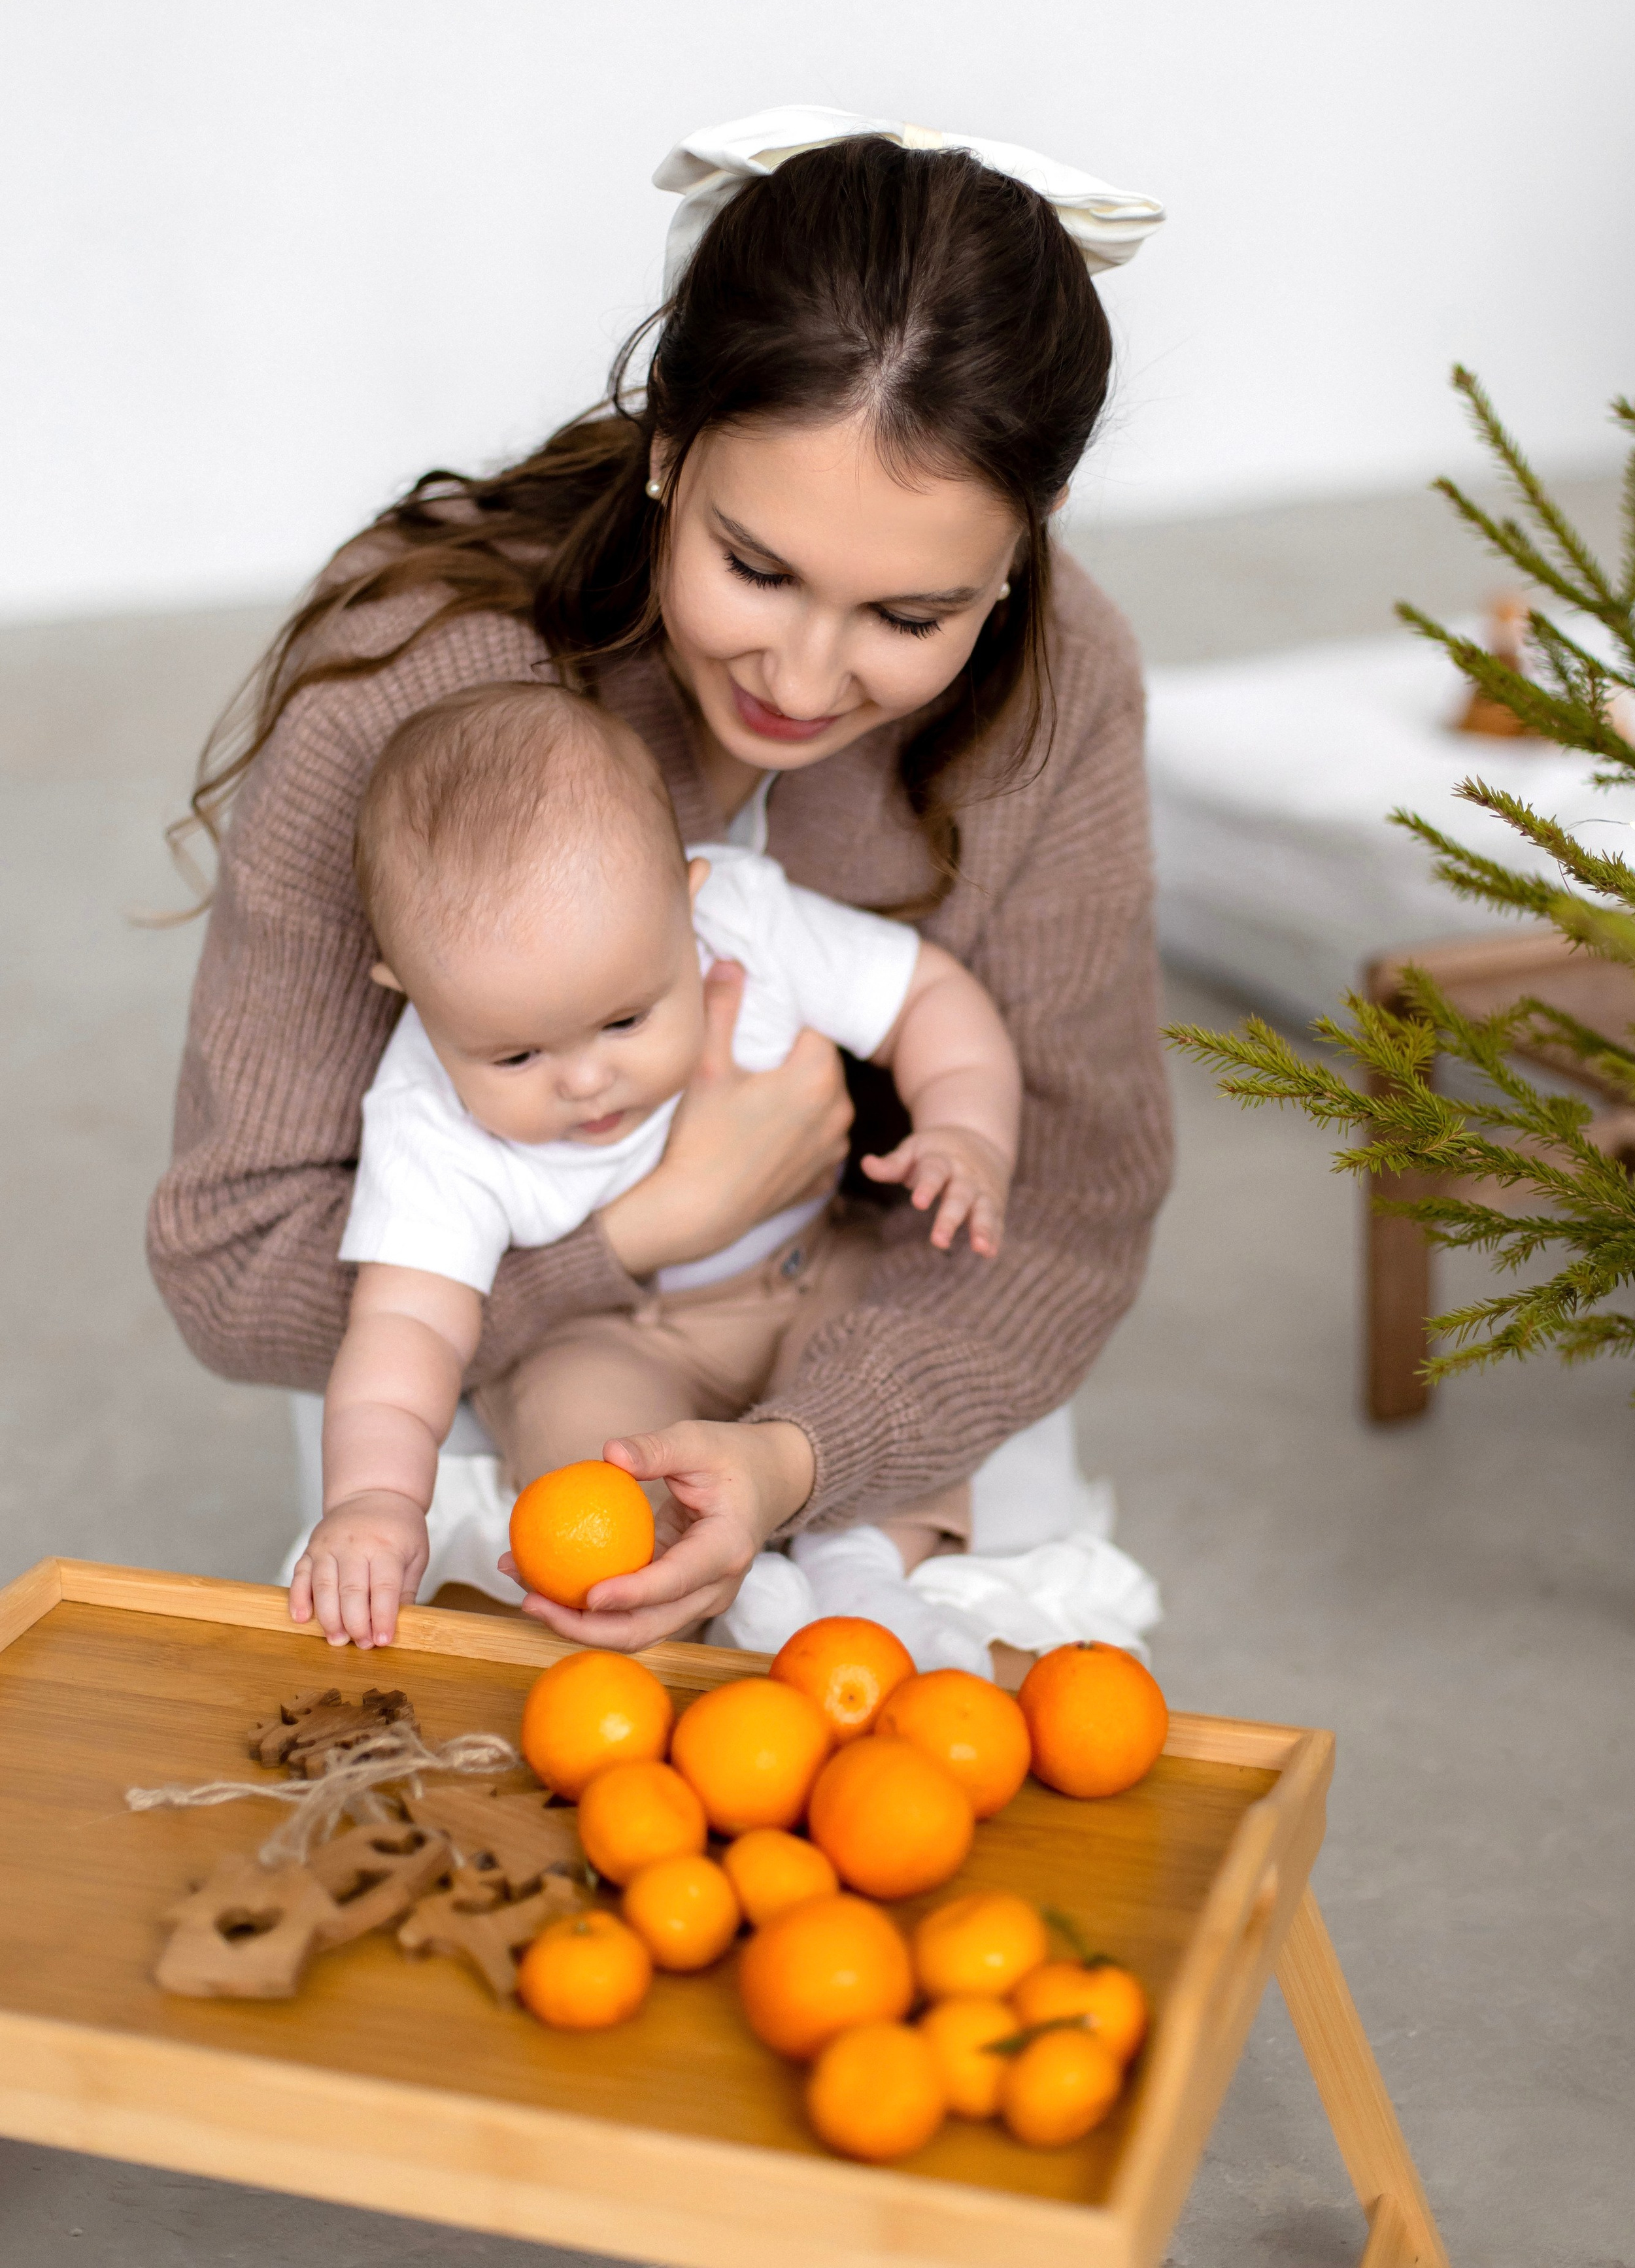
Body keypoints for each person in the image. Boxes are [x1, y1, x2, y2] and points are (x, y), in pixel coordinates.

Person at [148, 108, 1175, 1656]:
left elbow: (1071, 1205)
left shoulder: (1060, 678)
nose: (805, 675)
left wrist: (801, 1452)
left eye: (907, 612)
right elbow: (234, 1278)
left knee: (930, 1711)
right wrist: (630, 1233)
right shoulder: (418, 682)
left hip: (883, 1327)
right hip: (480, 1365)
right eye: (754, 570)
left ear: (1020, 554)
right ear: (668, 452)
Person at [291, 679, 1019, 1649]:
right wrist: (375, 1499)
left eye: (626, 1019)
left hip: (812, 1265)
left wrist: (968, 1128)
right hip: (610, 1331)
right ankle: (686, 1586)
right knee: (585, 1450)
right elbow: (404, 1329)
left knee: (907, 1332)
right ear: (414, 999)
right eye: (516, 1057)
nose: (589, 1082)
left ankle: (859, 1571)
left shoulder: (747, 924)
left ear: (691, 900)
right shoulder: (427, 1113)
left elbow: (926, 995)